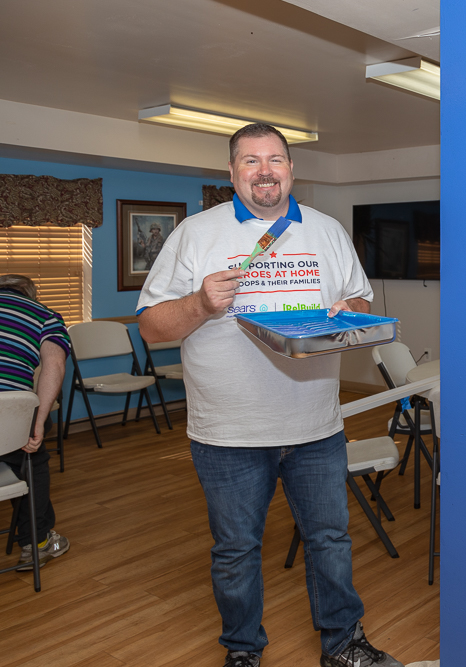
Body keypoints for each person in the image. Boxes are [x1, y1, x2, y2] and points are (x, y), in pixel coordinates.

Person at [137, 123, 402, 667]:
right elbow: (151, 329)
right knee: (235, 554)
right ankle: (242, 651)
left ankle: (344, 645)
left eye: (275, 159)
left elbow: (357, 303)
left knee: (330, 542)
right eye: (251, 161)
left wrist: (348, 314)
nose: (265, 171)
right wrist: (202, 305)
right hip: (227, 434)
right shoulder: (195, 233)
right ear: (232, 173)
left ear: (291, 169)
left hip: (316, 428)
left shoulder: (326, 231)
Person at [0, 274, 71, 571]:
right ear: (31, 294)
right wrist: (39, 423)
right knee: (29, 456)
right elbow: (53, 365)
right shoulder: (44, 315)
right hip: (6, 413)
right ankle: (37, 542)